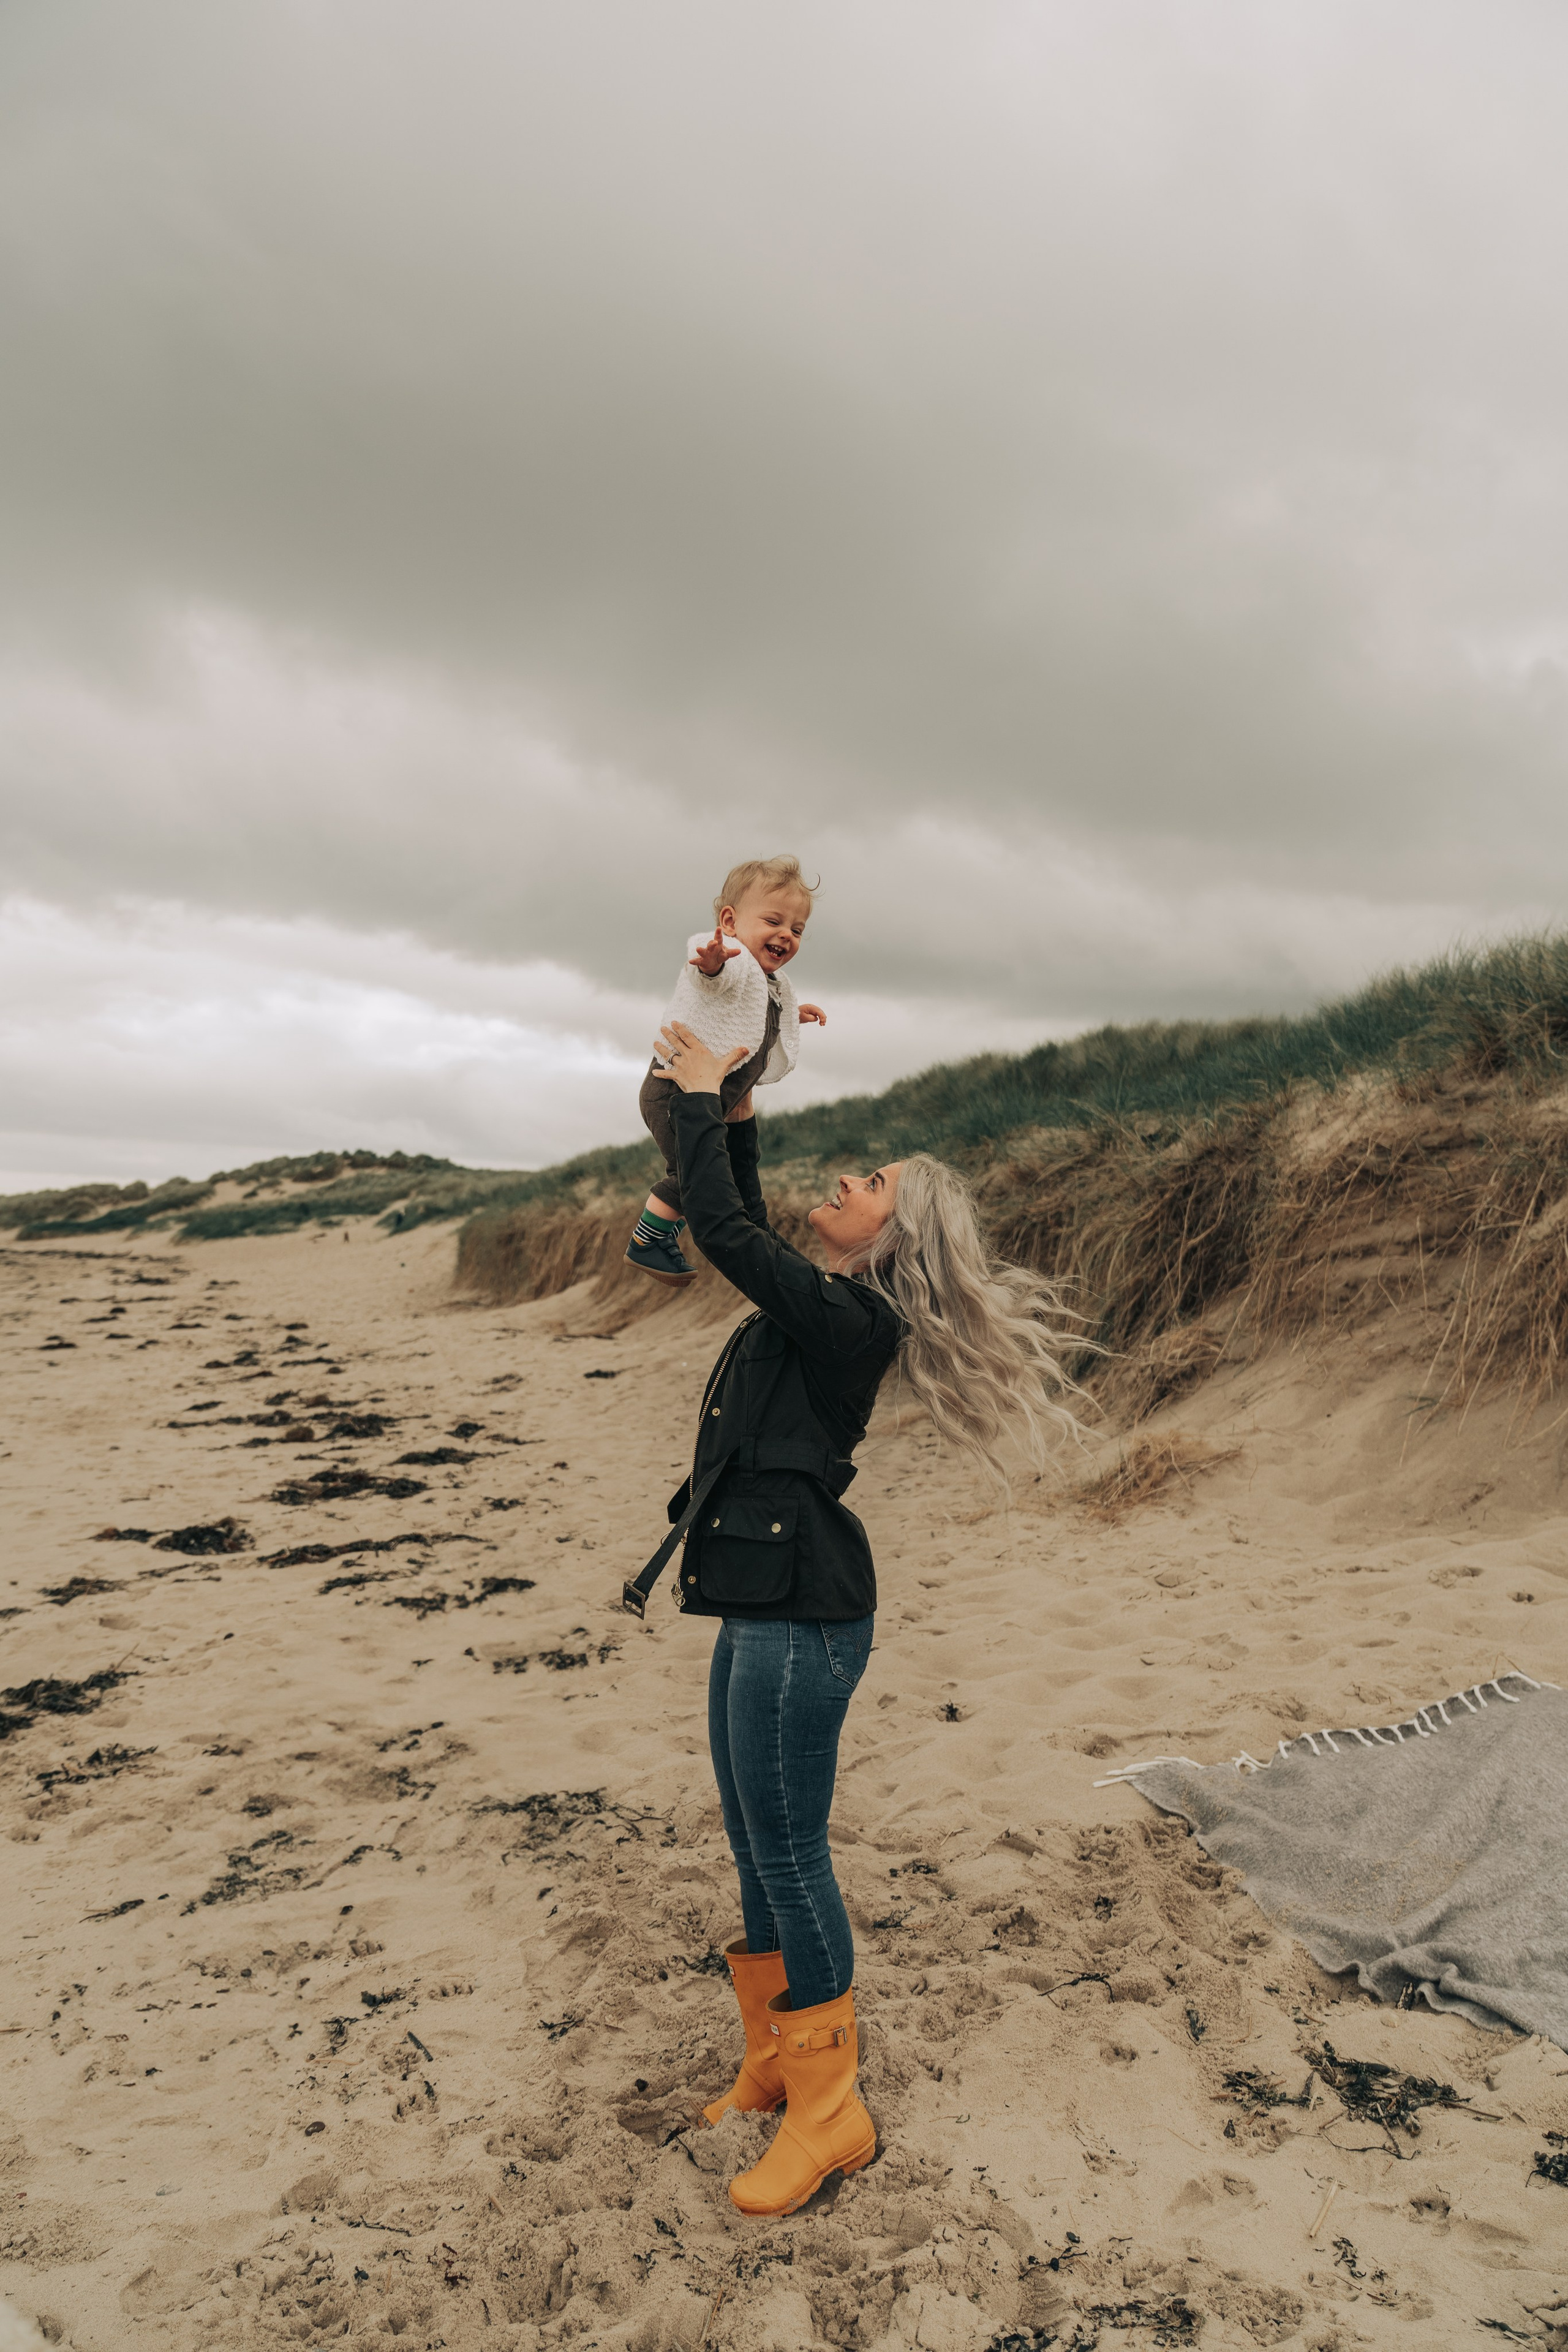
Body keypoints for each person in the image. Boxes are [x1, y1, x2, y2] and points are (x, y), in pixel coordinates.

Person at [641, 1016, 1081, 2220]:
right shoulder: (820, 1299)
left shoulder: (851, 1322)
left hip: (807, 1615)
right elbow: (737, 1214)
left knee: (787, 1851)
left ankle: (833, 2116)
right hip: (756, 1601)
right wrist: (729, 1111)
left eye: (869, 1183)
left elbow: (726, 1234)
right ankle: (778, 2070)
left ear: (894, 1235)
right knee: (748, 1845)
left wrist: (687, 1100)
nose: (843, 1182)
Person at [625, 856, 827, 1284]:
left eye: (797, 930)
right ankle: (648, 1241)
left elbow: (761, 1009)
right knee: (693, 1173)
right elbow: (713, 981)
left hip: (709, 1099)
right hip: (675, 1092)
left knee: (713, 1174)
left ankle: (669, 1233)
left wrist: (795, 1013)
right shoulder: (731, 958)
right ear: (730, 921)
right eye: (774, 921)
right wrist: (712, 963)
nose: (785, 935)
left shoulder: (773, 984)